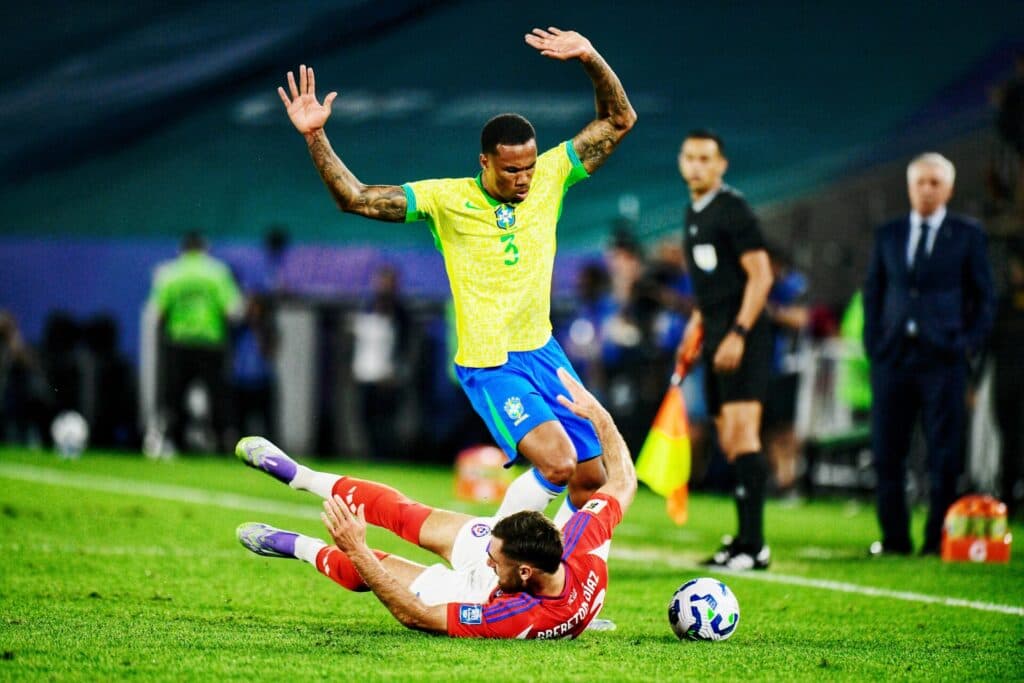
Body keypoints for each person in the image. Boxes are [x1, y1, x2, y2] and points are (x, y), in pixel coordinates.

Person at [277, 27, 636, 525]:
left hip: (545, 352)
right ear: (485, 162)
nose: (524, 179)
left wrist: (591, 57)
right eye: (512, 170)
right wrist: (315, 135)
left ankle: (564, 575)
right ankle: (492, 560)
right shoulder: (446, 199)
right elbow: (355, 197)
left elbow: (619, 120)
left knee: (591, 478)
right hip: (490, 361)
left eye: (529, 167)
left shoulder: (552, 175)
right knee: (557, 462)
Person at [235, 367, 636, 639]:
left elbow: (414, 614)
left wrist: (357, 550)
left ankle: (296, 546)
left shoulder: (514, 616)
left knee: (376, 567)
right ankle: (299, 475)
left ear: (526, 572)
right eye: (491, 550)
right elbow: (624, 481)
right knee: (407, 515)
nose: (487, 559)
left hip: (471, 593)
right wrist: (599, 414)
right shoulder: (581, 543)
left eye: (494, 558)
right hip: (539, 577)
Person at [863, 153, 995, 556]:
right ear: (909, 186)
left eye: (935, 182)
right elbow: (874, 291)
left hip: (944, 360)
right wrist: (875, 343)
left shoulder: (968, 234)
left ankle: (938, 538)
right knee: (887, 450)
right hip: (893, 358)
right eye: (920, 182)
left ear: (949, 189)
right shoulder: (888, 233)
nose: (926, 189)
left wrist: (966, 343)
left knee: (944, 452)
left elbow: (984, 297)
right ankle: (894, 538)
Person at [673, 130, 774, 570]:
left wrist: (737, 332)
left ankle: (755, 546)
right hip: (714, 336)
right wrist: (695, 329)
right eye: (690, 157)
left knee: (742, 435)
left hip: (742, 338)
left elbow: (761, 275)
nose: (696, 165)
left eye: (705, 158)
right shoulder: (693, 212)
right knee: (729, 444)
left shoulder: (731, 209)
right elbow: (710, 287)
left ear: (721, 165)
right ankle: (741, 540)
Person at [148, 232, 243, 452]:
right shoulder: (217, 272)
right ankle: (224, 444)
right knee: (218, 396)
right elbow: (234, 311)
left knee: (174, 396)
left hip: (178, 343)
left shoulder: (169, 273)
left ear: (182, 249)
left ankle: (172, 442)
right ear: (204, 249)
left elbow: (157, 313)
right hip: (211, 343)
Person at [989, 243, 1024, 519]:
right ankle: (1008, 498)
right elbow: (989, 345)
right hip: (1005, 385)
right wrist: (974, 383)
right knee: (1008, 444)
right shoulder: (1002, 304)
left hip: (1013, 384)